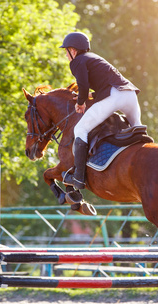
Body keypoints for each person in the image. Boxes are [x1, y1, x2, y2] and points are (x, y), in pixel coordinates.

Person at [60, 32, 144, 189]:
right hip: (130, 94)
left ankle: (78, 178)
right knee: (138, 130)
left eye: (66, 51)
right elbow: (106, 84)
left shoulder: (77, 62)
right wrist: (91, 95)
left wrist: (81, 102)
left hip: (114, 96)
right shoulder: (95, 58)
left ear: (73, 50)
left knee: (80, 129)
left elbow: (83, 86)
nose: (66, 55)